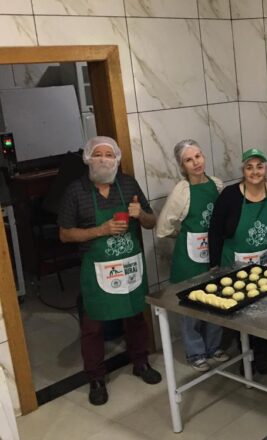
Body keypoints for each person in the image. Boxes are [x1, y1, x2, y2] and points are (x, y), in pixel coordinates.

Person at [58, 136, 161, 406]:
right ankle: (95, 377)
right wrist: (100, 230)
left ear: (117, 159)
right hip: (97, 269)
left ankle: (141, 362)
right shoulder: (75, 191)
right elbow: (65, 234)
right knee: (93, 326)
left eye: (109, 155)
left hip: (129, 265)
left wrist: (140, 214)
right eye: (98, 154)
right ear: (87, 158)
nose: (104, 159)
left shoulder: (128, 184)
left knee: (136, 316)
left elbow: (151, 222)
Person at [156, 140, 228, 372]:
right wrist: (185, 235)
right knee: (191, 307)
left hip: (212, 253)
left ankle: (214, 347)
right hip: (189, 258)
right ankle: (196, 352)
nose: (196, 162)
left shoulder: (216, 184)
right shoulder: (182, 191)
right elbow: (163, 228)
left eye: (198, 156)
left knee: (216, 301)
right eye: (189, 160)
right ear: (182, 166)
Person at [209, 148, 267, 269]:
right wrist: (214, 265)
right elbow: (215, 231)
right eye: (249, 168)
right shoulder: (229, 195)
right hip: (233, 266)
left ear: (266, 169)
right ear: (243, 171)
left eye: (259, 167)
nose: (255, 172)